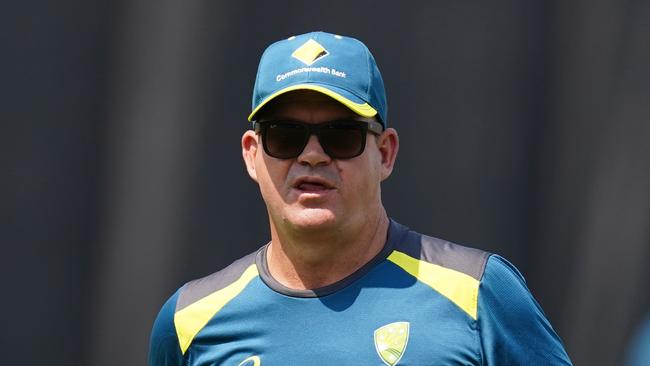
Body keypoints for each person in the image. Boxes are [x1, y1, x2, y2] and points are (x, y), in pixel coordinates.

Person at [148, 31, 572, 365]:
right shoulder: (189, 322)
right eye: (284, 136)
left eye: (341, 135)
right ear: (252, 154)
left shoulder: (478, 294)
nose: (312, 155)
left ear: (384, 153)